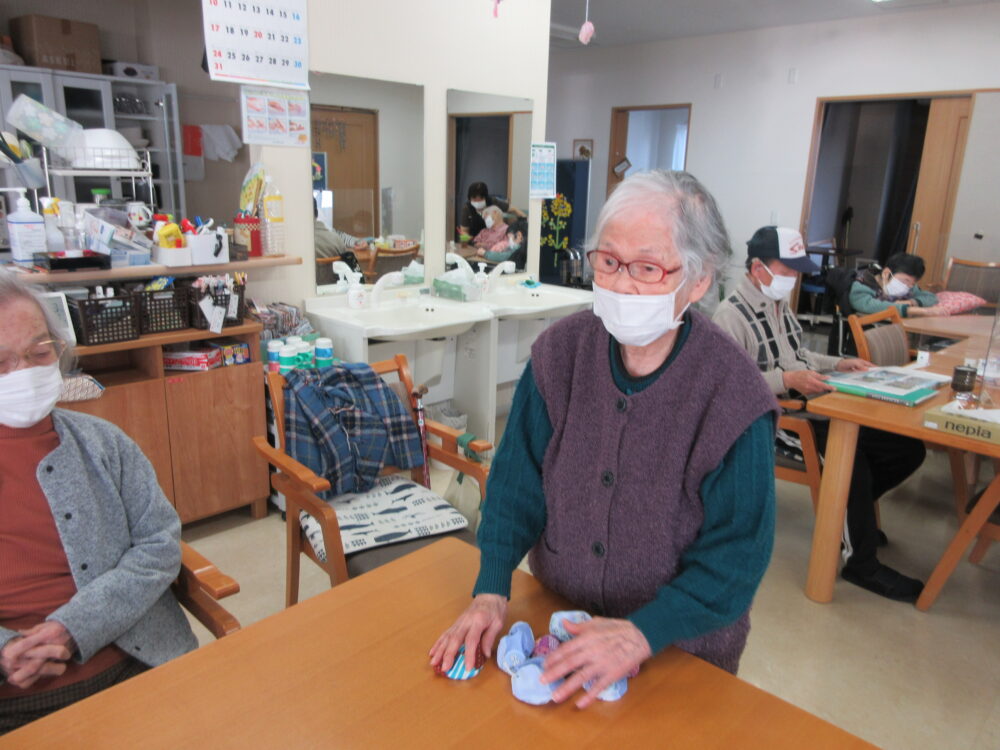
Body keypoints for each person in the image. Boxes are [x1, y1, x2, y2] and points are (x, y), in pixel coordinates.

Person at [430, 170, 779, 708]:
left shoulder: (733, 395)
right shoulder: (560, 355)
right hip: (563, 623)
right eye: (608, 261)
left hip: (680, 648)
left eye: (647, 268)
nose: (620, 285)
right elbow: (516, 486)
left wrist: (642, 633)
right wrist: (492, 587)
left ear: (699, 279)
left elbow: (737, 556)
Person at [0, 272, 197, 733]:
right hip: (15, 703)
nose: (23, 372)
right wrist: (6, 652)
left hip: (138, 662)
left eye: (38, 353)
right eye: (0, 361)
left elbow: (159, 543)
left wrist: (75, 627)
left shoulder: (104, 443)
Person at [713, 226, 927, 603]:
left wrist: (839, 363)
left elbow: (801, 355)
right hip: (774, 419)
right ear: (758, 268)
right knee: (849, 458)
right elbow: (727, 387)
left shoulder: (779, 306)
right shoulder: (730, 316)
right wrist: (786, 380)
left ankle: (847, 517)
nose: (794, 279)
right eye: (788, 270)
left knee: (906, 448)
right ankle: (861, 562)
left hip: (811, 406)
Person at [849, 253, 949, 318]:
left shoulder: (908, 287)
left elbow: (931, 297)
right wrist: (912, 310)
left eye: (912, 283)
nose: (908, 286)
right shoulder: (863, 283)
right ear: (886, 273)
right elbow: (869, 306)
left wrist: (912, 302)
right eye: (905, 281)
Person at [457, 181, 524, 240]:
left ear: (486, 198)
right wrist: (467, 238)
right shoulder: (467, 208)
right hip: (475, 241)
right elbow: (464, 231)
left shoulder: (492, 202)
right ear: (469, 199)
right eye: (474, 199)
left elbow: (513, 209)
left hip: (494, 239)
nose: (477, 202)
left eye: (481, 199)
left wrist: (524, 219)